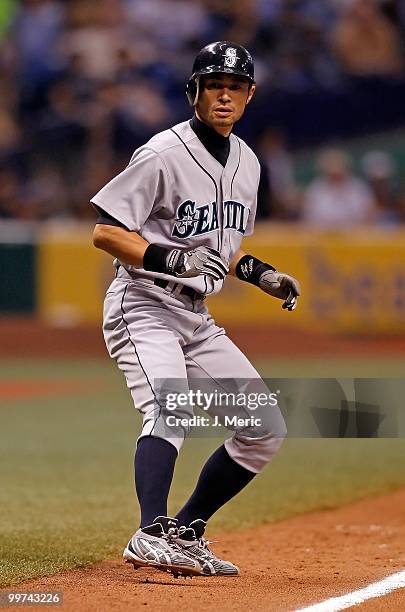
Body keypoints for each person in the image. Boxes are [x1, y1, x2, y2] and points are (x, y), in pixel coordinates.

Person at [91, 41, 300, 578]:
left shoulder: (249, 163)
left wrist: (262, 275)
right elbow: (106, 231)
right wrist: (169, 257)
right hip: (143, 303)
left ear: (250, 95)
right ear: (194, 92)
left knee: (264, 428)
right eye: (213, 85)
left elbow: (222, 250)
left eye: (234, 86)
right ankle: (149, 533)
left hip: (196, 317)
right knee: (171, 408)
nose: (223, 95)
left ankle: (185, 532)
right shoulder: (162, 152)